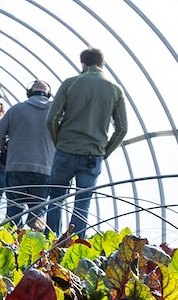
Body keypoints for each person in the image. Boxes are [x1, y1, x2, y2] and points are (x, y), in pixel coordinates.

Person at [42, 48, 129, 238]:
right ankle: (75, 244)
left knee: (56, 198)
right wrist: (104, 151)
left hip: (66, 150)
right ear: (102, 64)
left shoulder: (70, 84)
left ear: (82, 62)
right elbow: (122, 128)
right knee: (83, 202)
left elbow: (52, 119)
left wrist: (59, 142)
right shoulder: (115, 89)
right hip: (93, 155)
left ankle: (50, 242)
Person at [0, 79, 56, 226]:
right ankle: (35, 238)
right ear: (48, 94)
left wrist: (3, 149)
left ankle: (11, 238)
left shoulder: (15, 110)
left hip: (16, 168)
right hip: (44, 170)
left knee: (13, 214)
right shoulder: (56, 112)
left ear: (29, 93)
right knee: (37, 216)